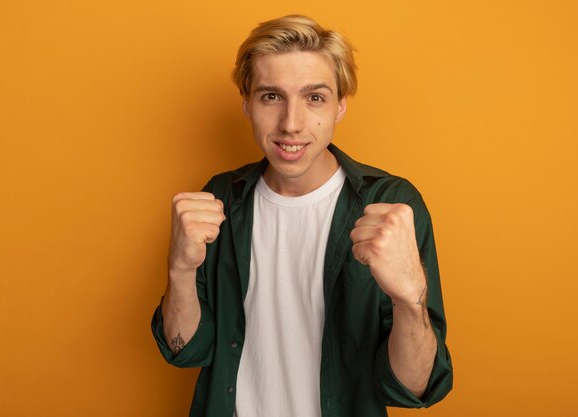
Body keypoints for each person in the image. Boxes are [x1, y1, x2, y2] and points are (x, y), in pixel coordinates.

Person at [151, 14, 452, 417]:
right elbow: (185, 350)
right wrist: (180, 270)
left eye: (315, 97)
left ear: (340, 105)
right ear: (247, 103)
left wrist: (409, 301)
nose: (291, 125)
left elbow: (413, 388)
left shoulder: (391, 204)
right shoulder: (220, 197)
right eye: (271, 96)